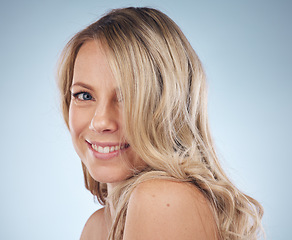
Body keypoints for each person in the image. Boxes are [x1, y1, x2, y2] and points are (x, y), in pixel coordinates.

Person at [57, 7, 264, 240]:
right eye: (84, 95)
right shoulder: (97, 226)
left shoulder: (164, 199)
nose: (101, 121)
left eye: (129, 96)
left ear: (169, 105)